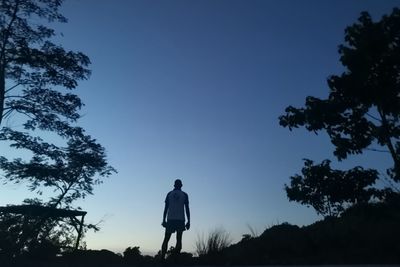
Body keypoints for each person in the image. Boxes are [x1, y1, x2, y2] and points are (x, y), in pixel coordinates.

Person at [161, 179, 190, 260]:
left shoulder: (169, 194)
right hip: (180, 220)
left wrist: (164, 220)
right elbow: (187, 209)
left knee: (166, 239)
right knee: (179, 239)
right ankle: (175, 259)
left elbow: (165, 208)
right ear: (181, 185)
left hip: (170, 219)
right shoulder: (184, 194)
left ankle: (162, 259)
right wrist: (189, 221)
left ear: (174, 185)